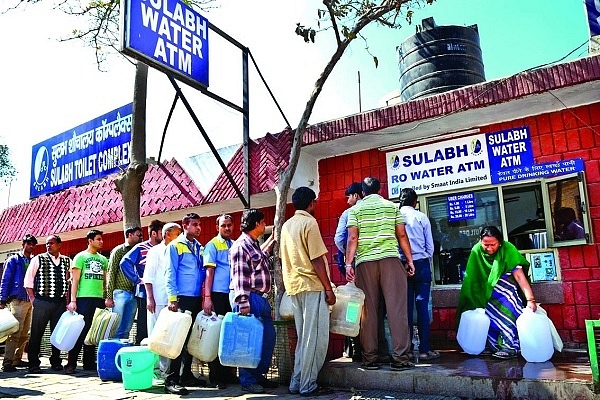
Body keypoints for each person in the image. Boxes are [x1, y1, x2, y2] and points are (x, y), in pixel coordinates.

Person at [345, 177, 415, 371]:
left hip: (365, 263)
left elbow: (352, 238)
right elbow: (402, 235)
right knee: (397, 310)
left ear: (363, 192)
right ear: (379, 189)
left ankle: (370, 359)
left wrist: (348, 264)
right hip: (391, 260)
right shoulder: (392, 207)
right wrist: (409, 260)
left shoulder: (355, 210)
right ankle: (400, 358)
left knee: (368, 312)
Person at [280, 187, 335, 396]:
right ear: (312, 203)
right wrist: (328, 288)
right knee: (315, 339)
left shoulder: (286, 226)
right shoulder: (309, 223)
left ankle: (297, 382)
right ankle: (307, 385)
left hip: (294, 287)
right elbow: (316, 259)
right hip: (312, 286)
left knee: (304, 338)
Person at [457, 226, 537, 359]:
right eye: (485, 244)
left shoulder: (508, 249)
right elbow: (471, 278)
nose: (489, 248)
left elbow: (519, 276)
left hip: (506, 293)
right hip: (485, 296)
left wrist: (530, 300)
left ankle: (510, 347)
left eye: (492, 244)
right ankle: (493, 346)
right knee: (488, 320)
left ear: (499, 242)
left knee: (508, 317)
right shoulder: (476, 251)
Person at [229, 208, 277, 394]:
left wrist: (272, 240)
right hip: (249, 297)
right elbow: (240, 275)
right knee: (248, 340)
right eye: (263, 222)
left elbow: (260, 257)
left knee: (267, 338)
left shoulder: (253, 245)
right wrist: (243, 302)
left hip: (260, 299)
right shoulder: (241, 246)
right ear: (257, 224)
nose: (265, 225)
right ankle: (248, 380)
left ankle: (258, 376)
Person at [164, 213, 207, 395]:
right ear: (185, 225)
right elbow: (170, 273)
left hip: (197, 297)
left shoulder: (199, 247)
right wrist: (172, 299)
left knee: (190, 339)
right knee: (178, 339)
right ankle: (171, 380)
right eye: (194, 224)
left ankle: (186, 375)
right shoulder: (175, 246)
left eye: (199, 224)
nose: (198, 228)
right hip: (182, 297)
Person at [398, 188, 439, 361]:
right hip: (421, 264)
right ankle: (424, 350)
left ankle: (406, 350)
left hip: (401, 265)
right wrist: (422, 257)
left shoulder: (395, 216)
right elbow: (430, 247)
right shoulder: (421, 217)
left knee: (404, 310)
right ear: (415, 201)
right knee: (422, 309)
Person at [24, 234, 71, 373]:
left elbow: (71, 280)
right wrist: (33, 299)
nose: (48, 245)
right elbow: (28, 280)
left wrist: (69, 301)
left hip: (60, 302)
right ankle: (33, 363)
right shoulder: (38, 259)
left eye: (51, 243)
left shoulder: (67, 261)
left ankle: (56, 361)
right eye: (47, 244)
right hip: (42, 301)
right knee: (37, 333)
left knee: (57, 333)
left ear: (59, 245)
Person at [202, 214, 238, 389]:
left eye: (229, 225)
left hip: (232, 294)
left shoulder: (234, 244)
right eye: (223, 225)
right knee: (216, 335)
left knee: (229, 335)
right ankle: (216, 376)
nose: (227, 228)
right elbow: (209, 273)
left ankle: (228, 374)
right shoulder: (212, 245)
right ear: (217, 227)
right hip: (217, 295)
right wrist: (207, 298)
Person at [65, 229, 109, 374]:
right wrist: (73, 300)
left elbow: (105, 281)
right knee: (80, 330)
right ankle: (71, 363)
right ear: (90, 241)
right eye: (98, 239)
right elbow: (75, 281)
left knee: (93, 331)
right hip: (83, 299)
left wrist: (106, 297)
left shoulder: (103, 260)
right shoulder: (80, 257)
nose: (101, 242)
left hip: (98, 299)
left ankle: (89, 362)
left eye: (101, 239)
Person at [144, 222, 181, 378]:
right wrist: (150, 298)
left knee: (170, 336)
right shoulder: (155, 251)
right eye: (177, 234)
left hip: (172, 300)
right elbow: (148, 277)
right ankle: (156, 370)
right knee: (156, 335)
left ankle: (168, 371)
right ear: (167, 235)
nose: (180, 237)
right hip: (157, 300)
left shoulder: (179, 250)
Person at [120, 220, 165, 344]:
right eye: (162, 233)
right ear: (154, 233)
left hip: (161, 292)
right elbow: (125, 262)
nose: (164, 235)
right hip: (144, 293)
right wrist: (137, 279)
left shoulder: (164, 249)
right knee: (144, 325)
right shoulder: (141, 247)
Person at [0, 234, 37, 372]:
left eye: (33, 244)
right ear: (23, 244)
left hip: (30, 300)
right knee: (15, 331)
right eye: (28, 243)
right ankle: (7, 362)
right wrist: (2, 299)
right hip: (17, 300)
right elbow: (6, 279)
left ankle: (17, 359)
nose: (31, 246)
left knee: (25, 333)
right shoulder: (14, 260)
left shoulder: (34, 260)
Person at [105, 226, 143, 340]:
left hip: (134, 294)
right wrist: (109, 297)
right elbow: (111, 273)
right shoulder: (119, 250)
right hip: (119, 293)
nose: (141, 238)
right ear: (130, 235)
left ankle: (121, 354)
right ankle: (111, 354)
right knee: (115, 327)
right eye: (138, 235)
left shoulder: (139, 251)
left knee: (127, 328)